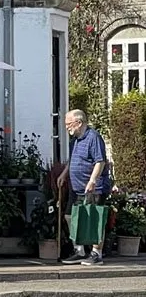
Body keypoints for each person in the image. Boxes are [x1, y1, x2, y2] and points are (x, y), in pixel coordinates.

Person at [57, 109, 110, 266]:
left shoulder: (93, 137)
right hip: (77, 187)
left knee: (95, 219)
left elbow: (100, 161)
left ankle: (96, 253)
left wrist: (92, 181)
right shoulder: (75, 141)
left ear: (79, 123)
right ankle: (79, 250)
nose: (67, 127)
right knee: (69, 216)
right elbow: (73, 160)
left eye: (69, 124)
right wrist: (64, 175)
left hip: (94, 187)